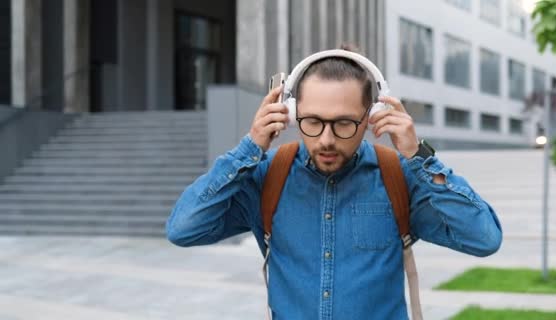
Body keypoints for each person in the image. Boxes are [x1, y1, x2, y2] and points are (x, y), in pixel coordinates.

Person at [166, 48, 502, 320]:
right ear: (293, 114)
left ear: (371, 118)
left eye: (343, 123)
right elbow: (183, 228)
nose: (326, 140)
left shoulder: (398, 177)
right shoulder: (268, 177)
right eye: (312, 121)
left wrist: (420, 156)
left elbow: (484, 237)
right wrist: (249, 147)